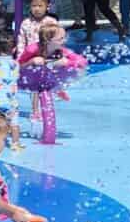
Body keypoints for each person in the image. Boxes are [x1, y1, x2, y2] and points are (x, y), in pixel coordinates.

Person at [17, 17, 85, 146]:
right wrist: (31, 61)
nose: (64, 41)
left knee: (64, 63)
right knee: (39, 66)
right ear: (48, 41)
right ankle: (55, 89)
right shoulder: (32, 49)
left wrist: (66, 62)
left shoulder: (61, 50)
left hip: (51, 74)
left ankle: (57, 87)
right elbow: (18, 66)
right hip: (30, 75)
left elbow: (81, 62)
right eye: (61, 39)